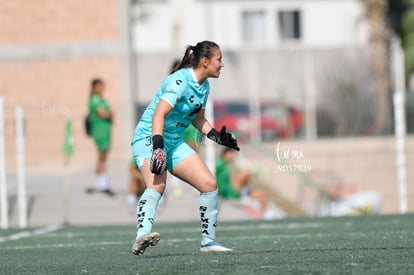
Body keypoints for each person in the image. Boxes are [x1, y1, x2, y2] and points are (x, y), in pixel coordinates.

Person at [131, 41, 239, 256]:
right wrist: (158, 148)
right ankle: (141, 236)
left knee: (209, 184)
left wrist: (218, 137)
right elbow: (158, 114)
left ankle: (208, 242)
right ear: (205, 61)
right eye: (219, 59)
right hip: (149, 137)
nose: (222, 64)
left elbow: (198, 119)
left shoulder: (204, 86)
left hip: (173, 141)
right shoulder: (179, 81)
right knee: (157, 186)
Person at [215, 148, 276, 220]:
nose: (233, 157)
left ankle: (266, 214)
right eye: (232, 154)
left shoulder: (225, 164)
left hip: (232, 190)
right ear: (227, 154)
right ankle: (244, 195)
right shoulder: (219, 163)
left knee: (261, 194)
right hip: (227, 192)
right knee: (245, 173)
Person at [86, 78, 116, 197]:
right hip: (100, 132)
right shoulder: (94, 99)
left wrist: (110, 114)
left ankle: (101, 182)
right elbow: (103, 113)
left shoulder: (102, 99)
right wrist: (108, 114)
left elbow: (110, 113)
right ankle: (101, 183)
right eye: (99, 86)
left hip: (106, 131)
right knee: (101, 157)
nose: (101, 88)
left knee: (103, 157)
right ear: (94, 87)